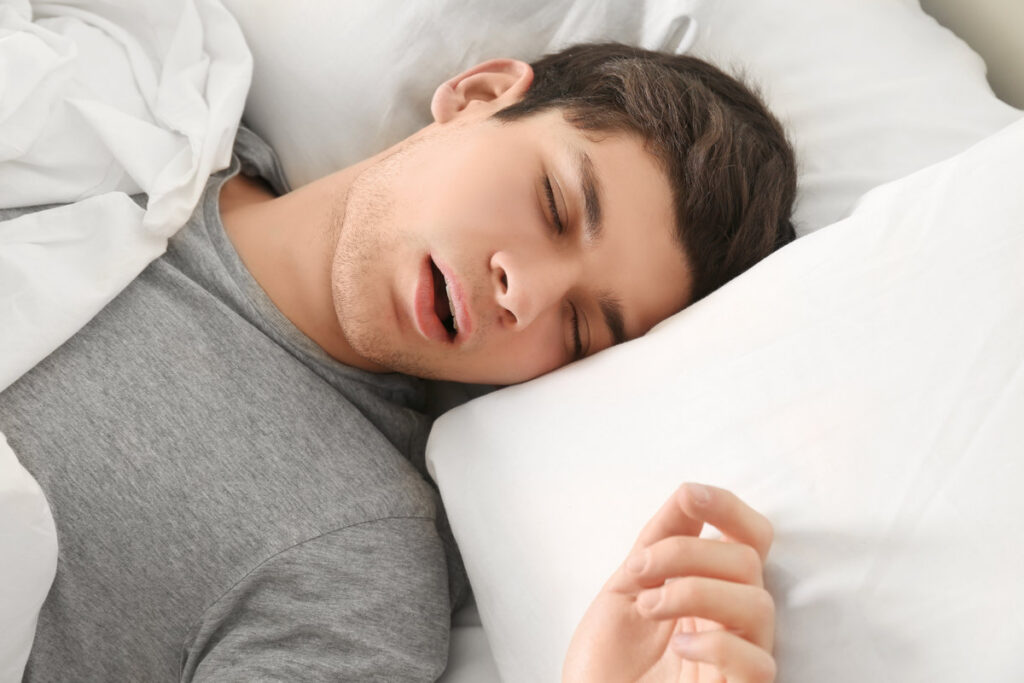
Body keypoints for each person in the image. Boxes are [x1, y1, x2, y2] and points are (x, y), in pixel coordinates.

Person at [0, 43, 796, 681]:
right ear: (479, 96)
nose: (527, 291)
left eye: (582, 329)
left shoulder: (358, 560)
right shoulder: (121, 98)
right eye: (554, 206)